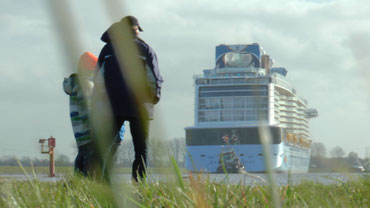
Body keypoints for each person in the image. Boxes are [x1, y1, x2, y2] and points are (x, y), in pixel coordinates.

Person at [92, 15, 163, 182]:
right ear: (136, 30)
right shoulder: (145, 49)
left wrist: (103, 100)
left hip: (113, 106)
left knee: (107, 146)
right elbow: (153, 78)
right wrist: (154, 98)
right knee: (141, 148)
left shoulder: (108, 50)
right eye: (138, 30)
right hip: (140, 106)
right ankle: (138, 182)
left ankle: (103, 182)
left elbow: (98, 80)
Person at [63, 52, 125, 177]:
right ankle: (87, 185)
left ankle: (78, 184)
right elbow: (86, 110)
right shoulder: (86, 85)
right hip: (89, 131)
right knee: (90, 161)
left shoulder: (75, 84)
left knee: (82, 158)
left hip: (79, 132)